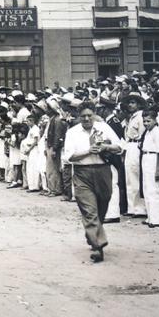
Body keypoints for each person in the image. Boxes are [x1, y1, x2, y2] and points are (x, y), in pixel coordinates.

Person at [62, 102, 122, 263]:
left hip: (103, 171)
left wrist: (105, 147)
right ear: (78, 116)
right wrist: (88, 151)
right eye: (83, 116)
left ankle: (93, 234)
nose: (87, 119)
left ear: (94, 114)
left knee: (102, 206)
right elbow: (69, 156)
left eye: (90, 115)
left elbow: (120, 147)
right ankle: (98, 246)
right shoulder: (73, 133)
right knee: (89, 210)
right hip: (82, 173)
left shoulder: (104, 128)